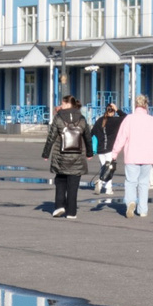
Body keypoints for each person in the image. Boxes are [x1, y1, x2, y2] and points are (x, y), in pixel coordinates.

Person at [110, 94, 153, 219]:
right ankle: (143, 210)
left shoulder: (129, 119)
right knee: (144, 183)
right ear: (146, 105)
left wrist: (114, 153)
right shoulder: (151, 120)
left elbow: (121, 138)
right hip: (147, 156)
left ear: (135, 105)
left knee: (130, 182)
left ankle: (131, 202)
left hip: (132, 155)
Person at [43, 89, 91, 219]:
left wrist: (46, 153)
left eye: (63, 104)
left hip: (61, 157)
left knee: (60, 181)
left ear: (68, 105)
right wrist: (90, 153)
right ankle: (71, 212)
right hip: (77, 157)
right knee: (73, 185)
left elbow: (51, 137)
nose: (61, 106)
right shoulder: (81, 118)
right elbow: (87, 136)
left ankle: (59, 206)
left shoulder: (58, 118)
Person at [89, 99, 122, 208]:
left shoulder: (99, 121)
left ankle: (104, 185)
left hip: (100, 149)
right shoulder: (115, 121)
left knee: (104, 168)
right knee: (110, 169)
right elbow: (126, 118)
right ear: (112, 111)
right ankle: (106, 186)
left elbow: (92, 133)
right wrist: (118, 110)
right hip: (110, 149)